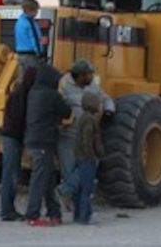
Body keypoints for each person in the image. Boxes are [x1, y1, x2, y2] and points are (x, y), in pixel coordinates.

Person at [24, 64, 72, 227]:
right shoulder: (51, 95)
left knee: (47, 177)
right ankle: (32, 215)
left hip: (33, 140)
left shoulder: (33, 93)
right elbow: (67, 112)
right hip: (44, 141)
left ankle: (54, 213)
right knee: (39, 179)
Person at [58, 60, 115, 185]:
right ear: (81, 75)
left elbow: (105, 98)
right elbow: (56, 103)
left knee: (89, 166)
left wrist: (109, 110)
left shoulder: (92, 86)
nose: (92, 76)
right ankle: (68, 195)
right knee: (69, 170)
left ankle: (76, 195)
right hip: (68, 136)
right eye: (90, 73)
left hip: (87, 136)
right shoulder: (63, 85)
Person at [56, 91, 104, 225]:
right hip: (88, 158)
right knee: (86, 190)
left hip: (80, 156)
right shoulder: (91, 120)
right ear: (93, 104)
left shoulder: (82, 117)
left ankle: (77, 216)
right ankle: (84, 217)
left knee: (80, 188)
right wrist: (94, 155)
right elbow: (89, 139)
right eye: (98, 102)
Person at [0, 66, 37, 221]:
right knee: (11, 174)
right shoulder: (22, 96)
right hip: (13, 137)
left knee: (10, 172)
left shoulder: (17, 92)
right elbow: (22, 120)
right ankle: (7, 211)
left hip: (9, 136)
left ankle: (7, 209)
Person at [15, 0, 44, 72]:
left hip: (20, 54)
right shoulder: (30, 23)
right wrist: (40, 54)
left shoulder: (19, 21)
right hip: (30, 54)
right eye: (36, 11)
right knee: (33, 76)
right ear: (30, 11)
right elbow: (34, 39)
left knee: (23, 77)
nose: (37, 13)